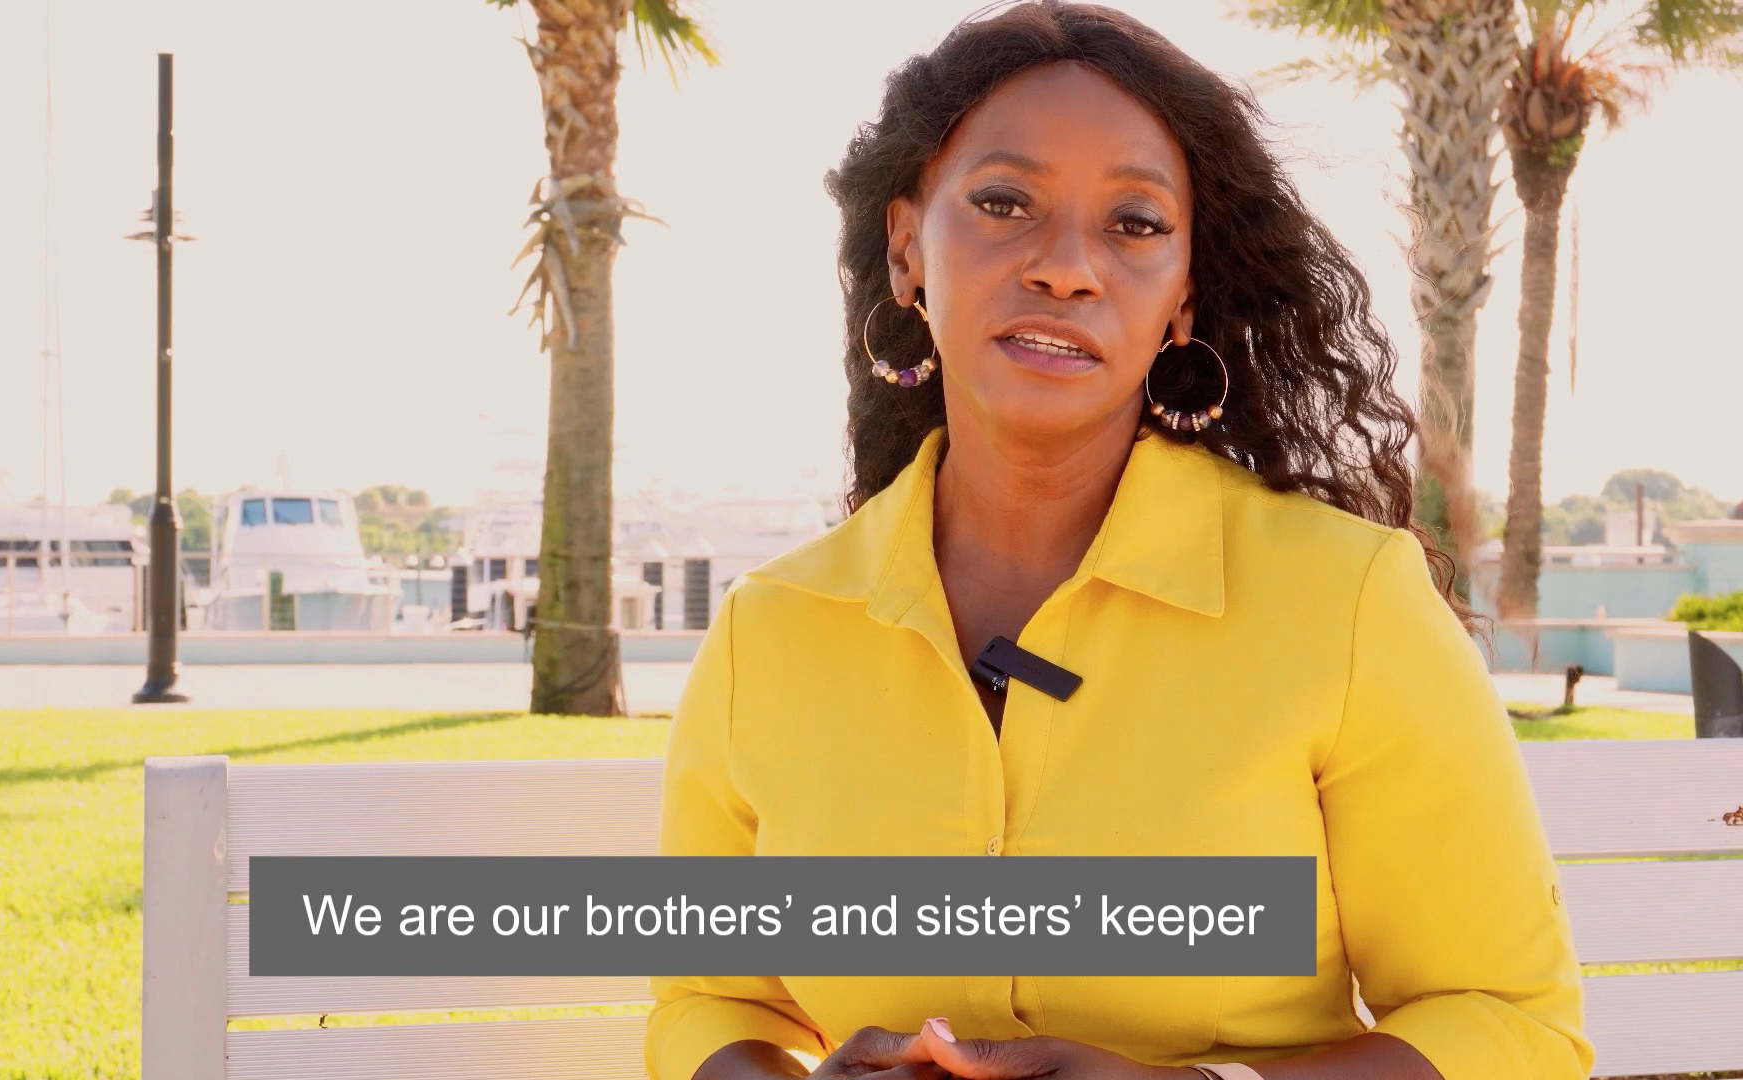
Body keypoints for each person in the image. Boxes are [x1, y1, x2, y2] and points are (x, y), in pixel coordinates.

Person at [644, 4, 1591, 1079]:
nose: (1066, 267)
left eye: (1134, 224)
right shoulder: (771, 632)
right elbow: (708, 1000)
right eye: (1004, 203)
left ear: (1184, 292)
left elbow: (1512, 1028)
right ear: (907, 247)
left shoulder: (1350, 602)